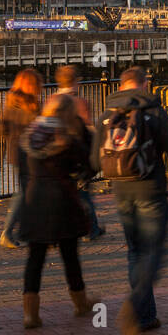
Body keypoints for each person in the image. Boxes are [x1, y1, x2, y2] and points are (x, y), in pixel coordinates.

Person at [94, 66, 168, 335]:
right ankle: (134, 305)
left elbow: (94, 163)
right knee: (153, 252)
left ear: (121, 85)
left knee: (135, 251)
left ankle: (146, 317)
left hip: (121, 193)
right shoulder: (155, 111)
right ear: (144, 84)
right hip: (152, 191)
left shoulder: (107, 116)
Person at [17, 93, 101, 328]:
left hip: (35, 202)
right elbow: (89, 165)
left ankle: (30, 314)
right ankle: (80, 302)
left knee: (35, 259)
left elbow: (21, 168)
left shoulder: (29, 136)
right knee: (70, 256)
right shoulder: (68, 139)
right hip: (63, 202)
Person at [55, 64, 103, 239]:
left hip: (58, 155)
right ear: (75, 82)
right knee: (83, 193)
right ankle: (91, 229)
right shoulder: (80, 102)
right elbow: (89, 128)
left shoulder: (51, 100)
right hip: (77, 154)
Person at [0, 68, 42, 249]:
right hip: (30, 154)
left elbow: (1, 130)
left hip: (15, 153)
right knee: (25, 193)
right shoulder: (32, 106)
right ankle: (8, 232)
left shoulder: (10, 102)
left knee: (26, 191)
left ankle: (25, 229)